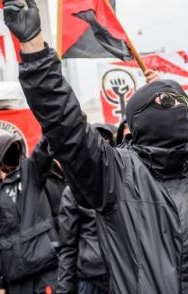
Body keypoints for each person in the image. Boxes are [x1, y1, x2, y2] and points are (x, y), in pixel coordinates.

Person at [3, 0, 188, 293]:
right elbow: (66, 125)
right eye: (167, 99)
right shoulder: (114, 175)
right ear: (139, 117)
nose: (178, 105)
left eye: (182, 100)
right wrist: (34, 47)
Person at [0, 134, 58, 294]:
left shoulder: (31, 170)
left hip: (46, 267)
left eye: (15, 149)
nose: (12, 155)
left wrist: (54, 117)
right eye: (8, 151)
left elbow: (45, 146)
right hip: (17, 276)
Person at [55, 124, 116, 294]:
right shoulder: (73, 191)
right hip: (91, 278)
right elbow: (68, 245)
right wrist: (64, 290)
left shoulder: (123, 184)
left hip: (123, 273)